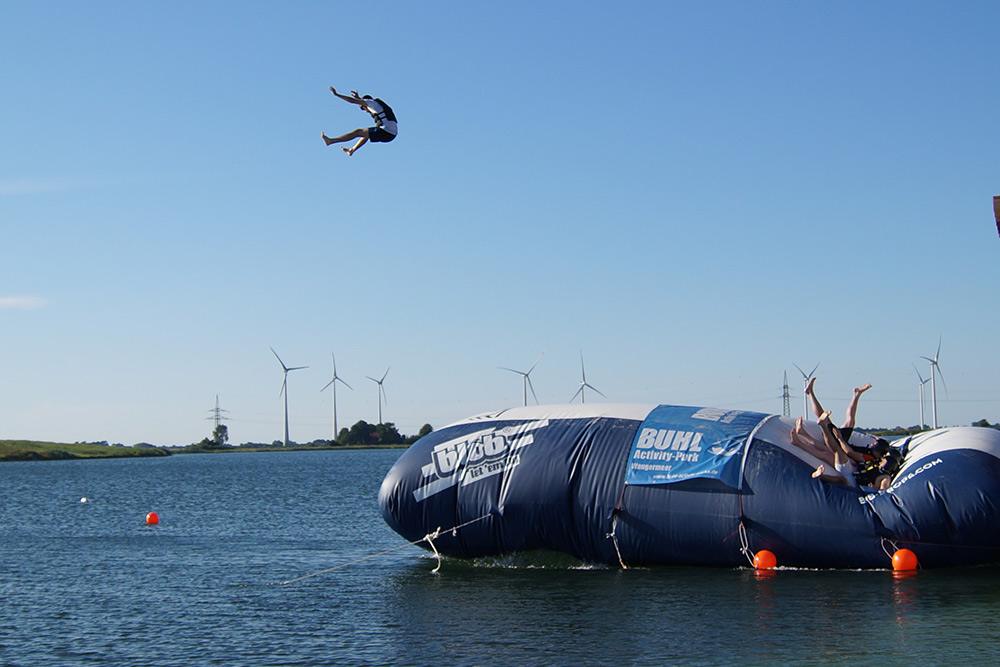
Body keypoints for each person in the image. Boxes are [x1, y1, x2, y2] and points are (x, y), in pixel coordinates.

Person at [322, 87, 397, 156]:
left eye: (362, 108)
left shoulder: (371, 103)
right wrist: (358, 97)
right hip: (391, 134)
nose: (365, 111)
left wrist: (337, 94)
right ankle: (351, 150)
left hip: (386, 131)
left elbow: (352, 101)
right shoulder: (376, 104)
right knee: (365, 134)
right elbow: (365, 102)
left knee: (357, 132)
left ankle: (331, 141)